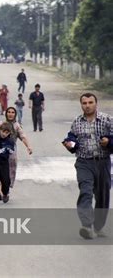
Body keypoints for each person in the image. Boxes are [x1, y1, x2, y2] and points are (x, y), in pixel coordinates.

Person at [62, 93, 112, 239]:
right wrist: (69, 144)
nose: (88, 105)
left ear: (96, 104)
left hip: (102, 162)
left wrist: (108, 142)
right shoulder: (77, 122)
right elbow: (71, 138)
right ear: (81, 105)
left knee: (103, 196)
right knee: (86, 191)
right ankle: (86, 225)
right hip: (84, 163)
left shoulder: (107, 120)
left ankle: (98, 226)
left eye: (90, 102)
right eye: (84, 103)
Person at [0, 107, 33, 188]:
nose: (10, 114)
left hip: (12, 149)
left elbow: (23, 137)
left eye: (12, 112)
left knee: (12, 167)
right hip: (0, 148)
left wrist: (28, 146)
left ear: (15, 114)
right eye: (9, 112)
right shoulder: (1, 123)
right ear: (6, 114)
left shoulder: (17, 125)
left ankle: (8, 186)